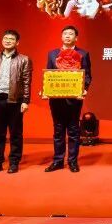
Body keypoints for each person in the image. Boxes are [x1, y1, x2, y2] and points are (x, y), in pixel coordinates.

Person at [0, 30, 32, 174]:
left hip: (15, 101)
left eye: (11, 39)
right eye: (5, 38)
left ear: (17, 42)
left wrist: (26, 101)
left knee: (15, 133)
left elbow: (27, 82)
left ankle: (14, 162)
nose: (8, 41)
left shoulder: (24, 59)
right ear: (2, 40)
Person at [44, 25, 92, 173]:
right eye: (65, 33)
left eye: (71, 34)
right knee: (58, 130)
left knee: (73, 130)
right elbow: (49, 74)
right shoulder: (52, 54)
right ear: (61, 36)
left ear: (76, 38)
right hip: (56, 98)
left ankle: (72, 161)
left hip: (74, 98)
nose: (67, 36)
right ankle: (58, 161)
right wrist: (46, 89)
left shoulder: (83, 53)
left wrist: (84, 89)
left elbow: (87, 75)